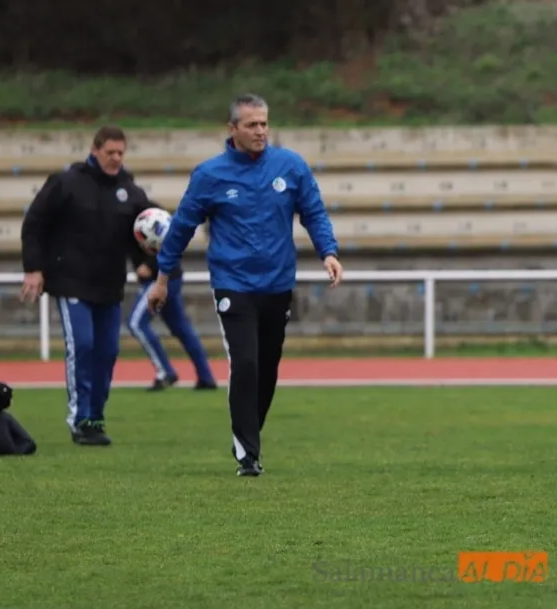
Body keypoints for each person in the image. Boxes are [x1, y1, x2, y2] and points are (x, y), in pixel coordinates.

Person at [147, 93, 343, 477]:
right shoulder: (209, 175)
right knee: (247, 362)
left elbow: (314, 212)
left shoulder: (291, 166)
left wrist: (329, 253)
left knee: (267, 369)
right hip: (232, 284)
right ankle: (247, 455)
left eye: (265, 123)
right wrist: (162, 277)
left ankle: (248, 435)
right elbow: (182, 228)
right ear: (232, 128)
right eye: (252, 125)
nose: (260, 131)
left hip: (277, 283)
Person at [20, 125, 155, 447]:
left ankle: (95, 418)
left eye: (121, 153)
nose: (116, 158)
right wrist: (34, 269)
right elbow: (34, 224)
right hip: (71, 282)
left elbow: (140, 232)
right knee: (82, 346)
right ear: (95, 150)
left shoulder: (129, 190)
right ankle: (79, 419)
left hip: (109, 285)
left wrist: (143, 262)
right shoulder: (66, 182)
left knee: (107, 352)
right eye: (110, 152)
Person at [128, 251, 218, 391]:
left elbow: (164, 238)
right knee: (181, 327)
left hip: (158, 279)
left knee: (136, 323)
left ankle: (166, 372)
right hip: (170, 276)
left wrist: (150, 264)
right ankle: (206, 377)